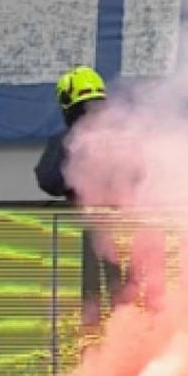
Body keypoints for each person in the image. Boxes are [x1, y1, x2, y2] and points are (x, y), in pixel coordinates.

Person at [34, 66, 126, 338]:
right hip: (142, 240)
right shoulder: (132, 135)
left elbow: (49, 180)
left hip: (92, 241)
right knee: (134, 304)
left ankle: (96, 369)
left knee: (93, 308)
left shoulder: (69, 141)